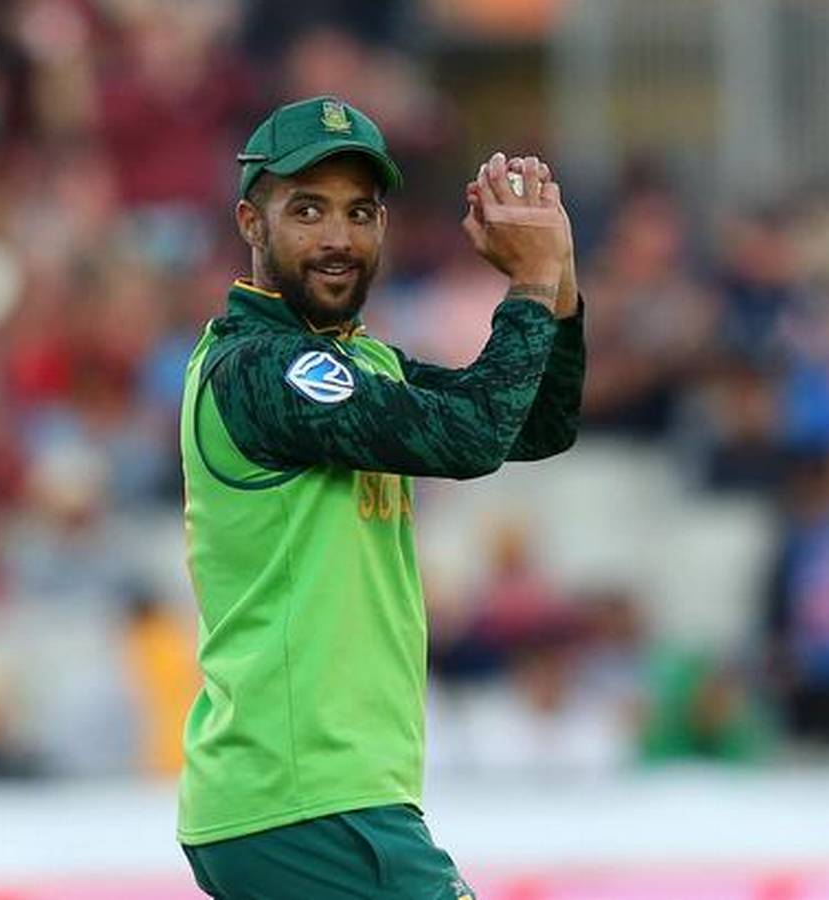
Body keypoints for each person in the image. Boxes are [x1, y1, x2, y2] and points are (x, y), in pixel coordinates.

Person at [177, 96, 585, 900]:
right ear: (250, 223)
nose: (338, 237)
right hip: (307, 801)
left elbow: (535, 423)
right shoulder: (261, 367)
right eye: (308, 210)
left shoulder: (360, 363)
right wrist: (530, 281)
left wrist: (559, 278)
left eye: (359, 212)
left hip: (313, 799)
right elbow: (473, 438)